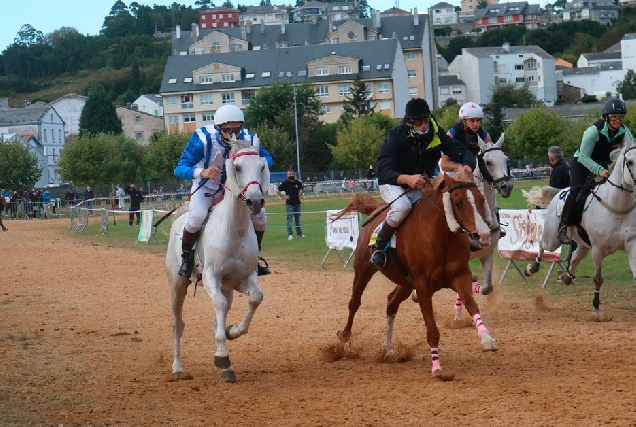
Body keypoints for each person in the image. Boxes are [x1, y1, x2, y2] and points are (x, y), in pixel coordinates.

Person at [370, 97, 476, 267]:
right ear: (409, 123)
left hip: (422, 182)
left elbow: (460, 150)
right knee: (403, 207)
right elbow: (383, 171)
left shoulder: (435, 132)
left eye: (426, 120)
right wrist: (407, 178)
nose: (424, 125)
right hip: (393, 183)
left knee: (448, 198)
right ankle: (380, 246)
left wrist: (468, 165)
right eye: (419, 122)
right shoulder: (396, 136)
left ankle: (459, 237)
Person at [173, 104, 274, 278]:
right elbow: (180, 168)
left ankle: (253, 259)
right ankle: (186, 258)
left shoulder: (248, 138)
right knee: (196, 216)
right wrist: (202, 172)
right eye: (228, 130)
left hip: (234, 191)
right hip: (206, 187)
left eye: (237, 129)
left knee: (260, 216)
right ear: (218, 128)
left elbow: (268, 158)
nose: (234, 134)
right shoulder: (202, 139)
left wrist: (256, 162)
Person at [558, 98, 632, 244]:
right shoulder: (592, 131)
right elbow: (584, 157)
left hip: (604, 164)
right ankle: (563, 226)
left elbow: (631, 150)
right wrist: (600, 170)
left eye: (621, 117)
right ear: (606, 117)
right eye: (614, 117)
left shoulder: (625, 132)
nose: (618, 120)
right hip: (581, 163)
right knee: (577, 191)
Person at [443, 101, 505, 242]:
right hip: (453, 171)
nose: (476, 124)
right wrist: (460, 167)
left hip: (474, 171)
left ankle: (496, 224)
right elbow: (445, 164)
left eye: (478, 120)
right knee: (446, 195)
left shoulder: (485, 136)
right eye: (472, 120)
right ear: (464, 121)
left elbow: (491, 156)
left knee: (489, 187)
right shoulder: (452, 134)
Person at [276, 170, 305, 240]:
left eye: (292, 174)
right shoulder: (285, 183)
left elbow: (302, 188)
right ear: (287, 175)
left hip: (297, 204)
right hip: (290, 205)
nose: (291, 175)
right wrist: (283, 197)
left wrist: (300, 194)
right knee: (289, 220)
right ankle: (290, 234)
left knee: (297, 220)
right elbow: (277, 190)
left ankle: (299, 234)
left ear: (294, 174)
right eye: (289, 174)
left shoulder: (297, 182)